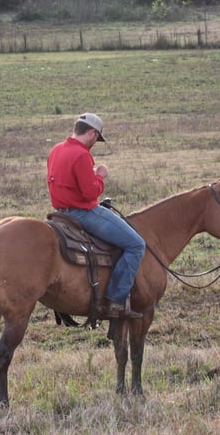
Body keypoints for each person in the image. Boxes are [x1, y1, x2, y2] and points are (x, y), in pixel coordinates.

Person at [47, 112, 146, 320]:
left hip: (58, 214)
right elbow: (90, 193)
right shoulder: (82, 154)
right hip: (83, 213)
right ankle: (116, 301)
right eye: (96, 138)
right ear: (91, 132)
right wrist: (100, 175)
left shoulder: (56, 150)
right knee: (136, 245)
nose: (95, 143)